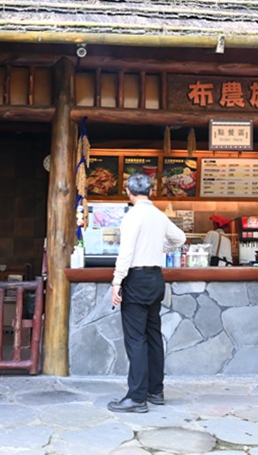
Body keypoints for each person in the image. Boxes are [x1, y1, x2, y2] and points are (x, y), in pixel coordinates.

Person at [108, 172, 186, 413]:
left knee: (136, 339)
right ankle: (156, 391)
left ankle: (137, 397)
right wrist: (159, 248)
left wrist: (116, 282)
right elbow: (180, 238)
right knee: (153, 336)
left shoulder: (133, 216)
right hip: (154, 278)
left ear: (129, 192)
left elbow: (126, 253)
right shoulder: (158, 215)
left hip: (136, 278)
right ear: (150, 191)